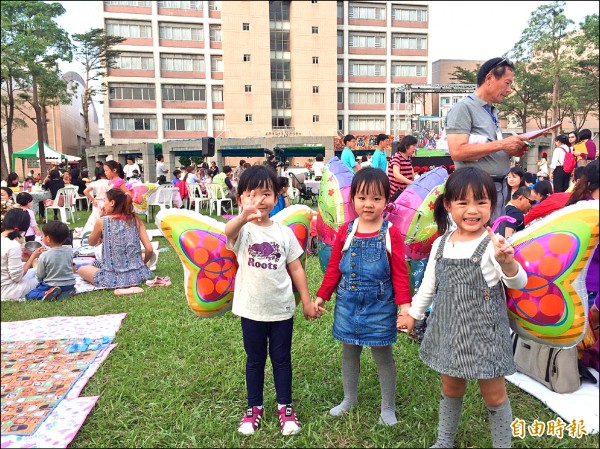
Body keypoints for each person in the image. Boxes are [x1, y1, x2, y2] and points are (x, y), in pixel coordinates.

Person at [397, 167, 527, 448]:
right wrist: (413, 314)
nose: (473, 210)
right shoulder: (441, 243)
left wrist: (507, 261)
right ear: (448, 205)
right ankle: (444, 442)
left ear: (492, 205)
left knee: (494, 395)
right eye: (463, 202)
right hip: (449, 329)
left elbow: (518, 280)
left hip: (484, 334)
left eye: (481, 202)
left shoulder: (493, 243)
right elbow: (429, 286)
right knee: (450, 387)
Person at [224, 165, 318, 436]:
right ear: (240, 199)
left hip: (281, 310)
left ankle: (285, 407)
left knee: (281, 359)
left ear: (276, 198)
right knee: (254, 360)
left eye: (265, 194)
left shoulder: (284, 232)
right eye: (250, 194)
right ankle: (254, 408)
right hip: (251, 310)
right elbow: (228, 231)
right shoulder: (243, 231)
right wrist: (242, 217)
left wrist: (307, 301)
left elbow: (296, 268)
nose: (259, 200)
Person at [313, 168, 412, 426]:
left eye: (376, 198)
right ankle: (349, 399)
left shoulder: (390, 233)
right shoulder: (346, 230)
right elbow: (334, 267)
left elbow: (400, 273)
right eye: (362, 197)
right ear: (353, 199)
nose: (369, 204)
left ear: (386, 201)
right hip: (347, 304)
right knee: (349, 352)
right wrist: (322, 296)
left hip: (380, 306)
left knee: (383, 355)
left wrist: (405, 307)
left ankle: (387, 407)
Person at [446, 57, 531, 220]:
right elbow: (457, 151)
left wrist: (511, 150)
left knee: (493, 238)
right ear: (490, 78)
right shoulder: (463, 108)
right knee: (481, 239)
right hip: (476, 192)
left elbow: (488, 149)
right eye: (507, 83)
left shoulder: (491, 111)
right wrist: (502, 144)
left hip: (497, 188)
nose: (509, 89)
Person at [77, 188, 153, 289]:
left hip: (112, 279)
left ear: (112, 202)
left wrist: (100, 218)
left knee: (82, 269)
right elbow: (149, 249)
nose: (103, 205)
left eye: (105, 201)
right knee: (143, 257)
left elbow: (91, 242)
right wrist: (143, 264)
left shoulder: (102, 221)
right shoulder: (135, 219)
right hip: (139, 275)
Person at [25, 220, 76, 301]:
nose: (42, 237)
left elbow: (40, 275)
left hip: (51, 285)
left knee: (29, 295)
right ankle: (65, 293)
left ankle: (46, 293)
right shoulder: (69, 250)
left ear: (48, 238)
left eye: (43, 236)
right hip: (69, 284)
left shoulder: (44, 255)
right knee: (63, 288)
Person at [1, 208, 42, 300]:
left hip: (5, 284)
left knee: (36, 271)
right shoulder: (12, 245)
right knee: (45, 277)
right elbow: (17, 277)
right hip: (8, 291)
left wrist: (23, 258)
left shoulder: (8, 242)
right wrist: (32, 258)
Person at [388, 135, 417, 201]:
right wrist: (411, 183)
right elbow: (396, 174)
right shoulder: (396, 157)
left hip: (405, 194)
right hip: (396, 195)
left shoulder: (408, 158)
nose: (415, 148)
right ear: (406, 146)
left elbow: (412, 175)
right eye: (413, 145)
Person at [82, 171, 111, 236]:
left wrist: (92, 200)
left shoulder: (95, 183)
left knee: (94, 217)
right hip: (107, 201)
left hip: (97, 201)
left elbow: (85, 191)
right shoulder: (109, 182)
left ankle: (92, 232)